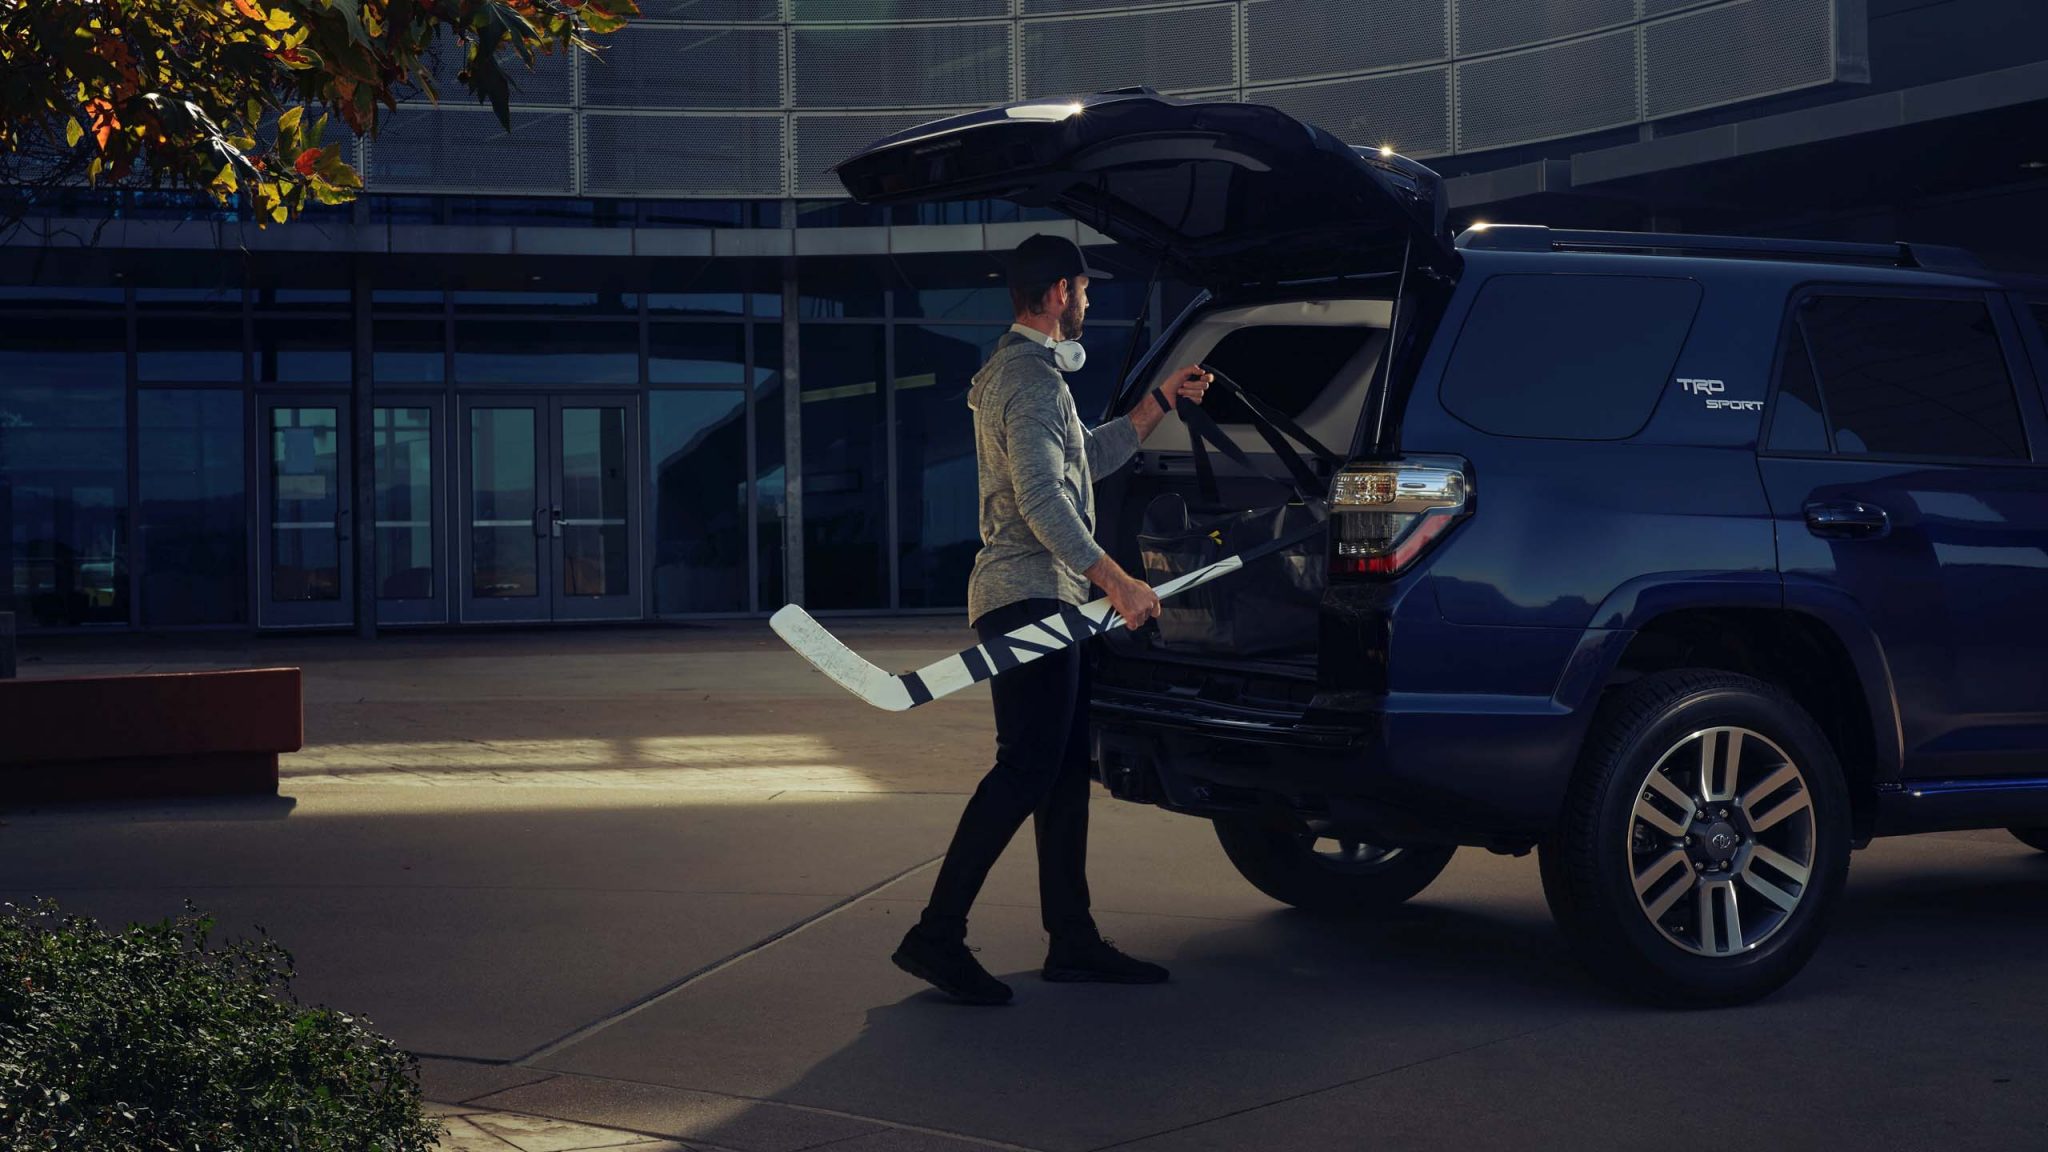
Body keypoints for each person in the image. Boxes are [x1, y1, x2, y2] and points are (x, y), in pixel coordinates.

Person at [890, 233, 1212, 1005]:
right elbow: (1042, 500)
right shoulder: (1029, 380)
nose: (1089, 302)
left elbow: (1081, 462)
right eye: (1086, 290)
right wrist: (1120, 582)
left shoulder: (1030, 378)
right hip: (1029, 595)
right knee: (1026, 767)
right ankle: (936, 935)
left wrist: (1158, 402)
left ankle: (1072, 939)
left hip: (1050, 598)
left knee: (1061, 772)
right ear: (1061, 292)